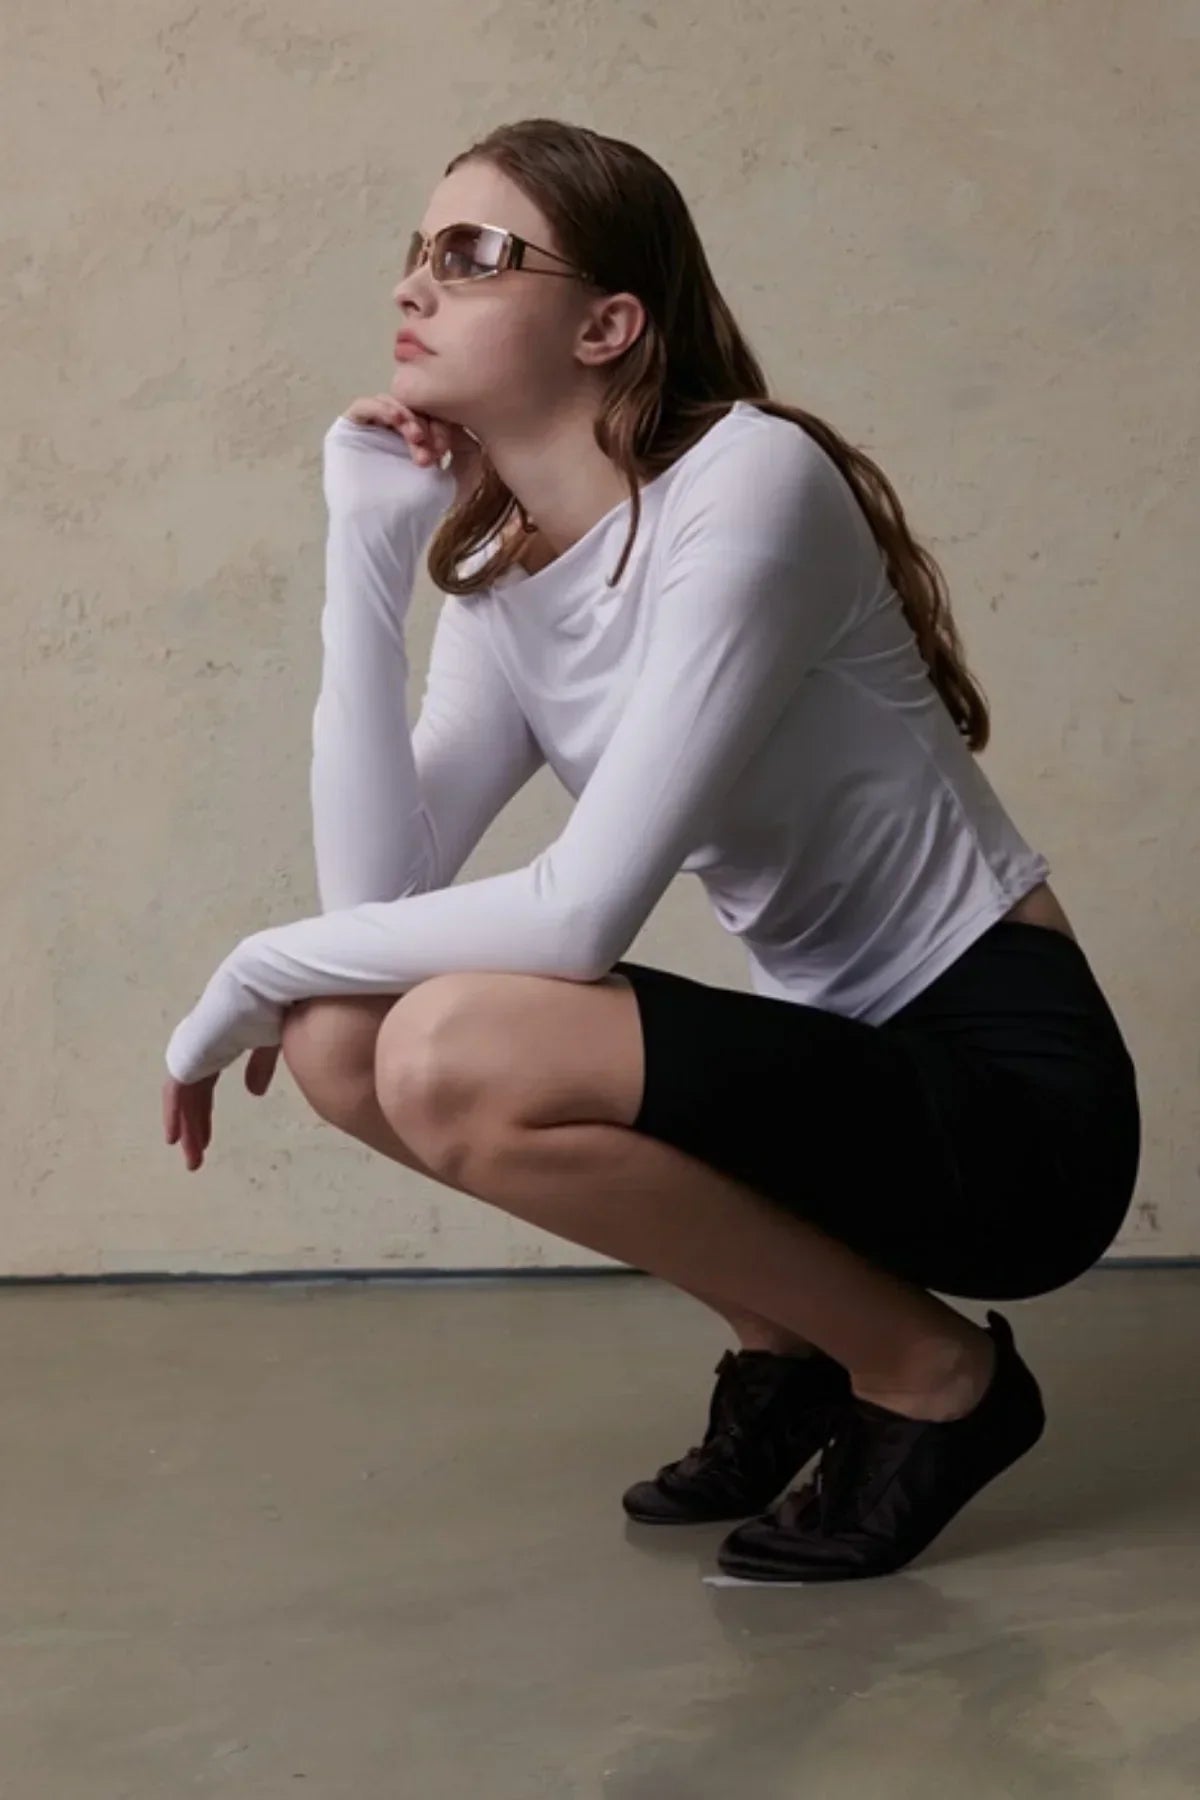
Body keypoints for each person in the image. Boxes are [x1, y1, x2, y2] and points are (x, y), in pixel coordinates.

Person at [162, 118, 1140, 1584]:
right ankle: (789, 1340)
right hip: (835, 1088)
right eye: (418, 252)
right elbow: (375, 909)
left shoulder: (752, 481)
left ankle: (939, 1376)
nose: (414, 286)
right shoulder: (510, 576)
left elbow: (576, 920)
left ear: (608, 325)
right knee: (340, 1040)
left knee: (447, 1043)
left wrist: (249, 960)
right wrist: (365, 556)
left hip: (1010, 1111)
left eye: (474, 254)